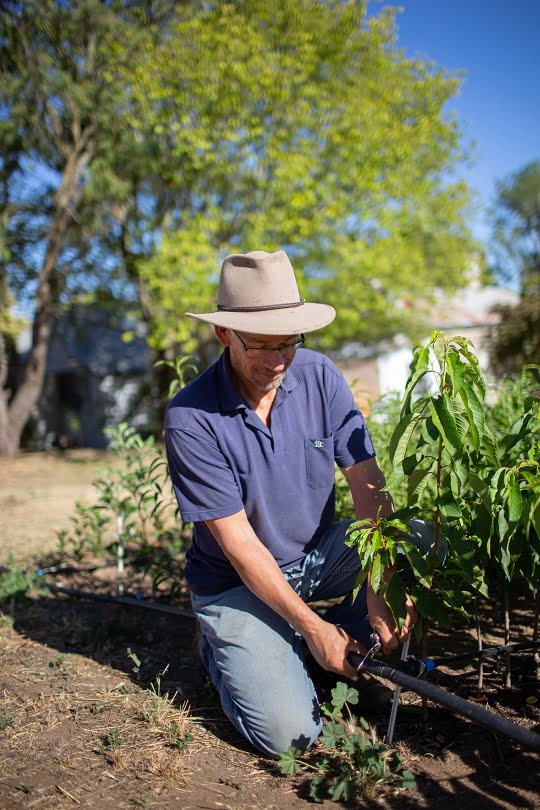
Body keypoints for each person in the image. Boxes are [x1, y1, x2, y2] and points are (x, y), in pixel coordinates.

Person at [165, 249, 417, 757]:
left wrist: (378, 583)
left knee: (422, 540)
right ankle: (224, 647)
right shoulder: (191, 417)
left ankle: (320, 641)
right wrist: (312, 626)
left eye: (289, 343)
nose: (278, 360)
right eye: (261, 345)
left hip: (316, 557)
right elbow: (240, 548)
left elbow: (368, 484)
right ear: (223, 335)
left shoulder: (320, 376)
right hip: (237, 582)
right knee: (289, 737)